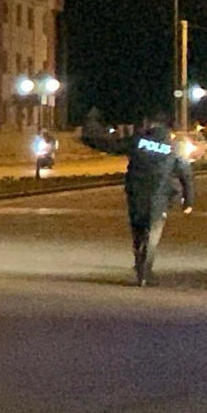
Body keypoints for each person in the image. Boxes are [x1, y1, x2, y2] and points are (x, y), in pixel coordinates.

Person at [80, 110, 195, 286]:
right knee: (152, 232)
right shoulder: (174, 148)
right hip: (159, 196)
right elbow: (186, 175)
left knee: (138, 229)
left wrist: (88, 136)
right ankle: (145, 272)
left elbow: (112, 146)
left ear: (150, 124)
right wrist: (188, 201)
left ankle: (139, 263)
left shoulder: (138, 141)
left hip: (136, 193)